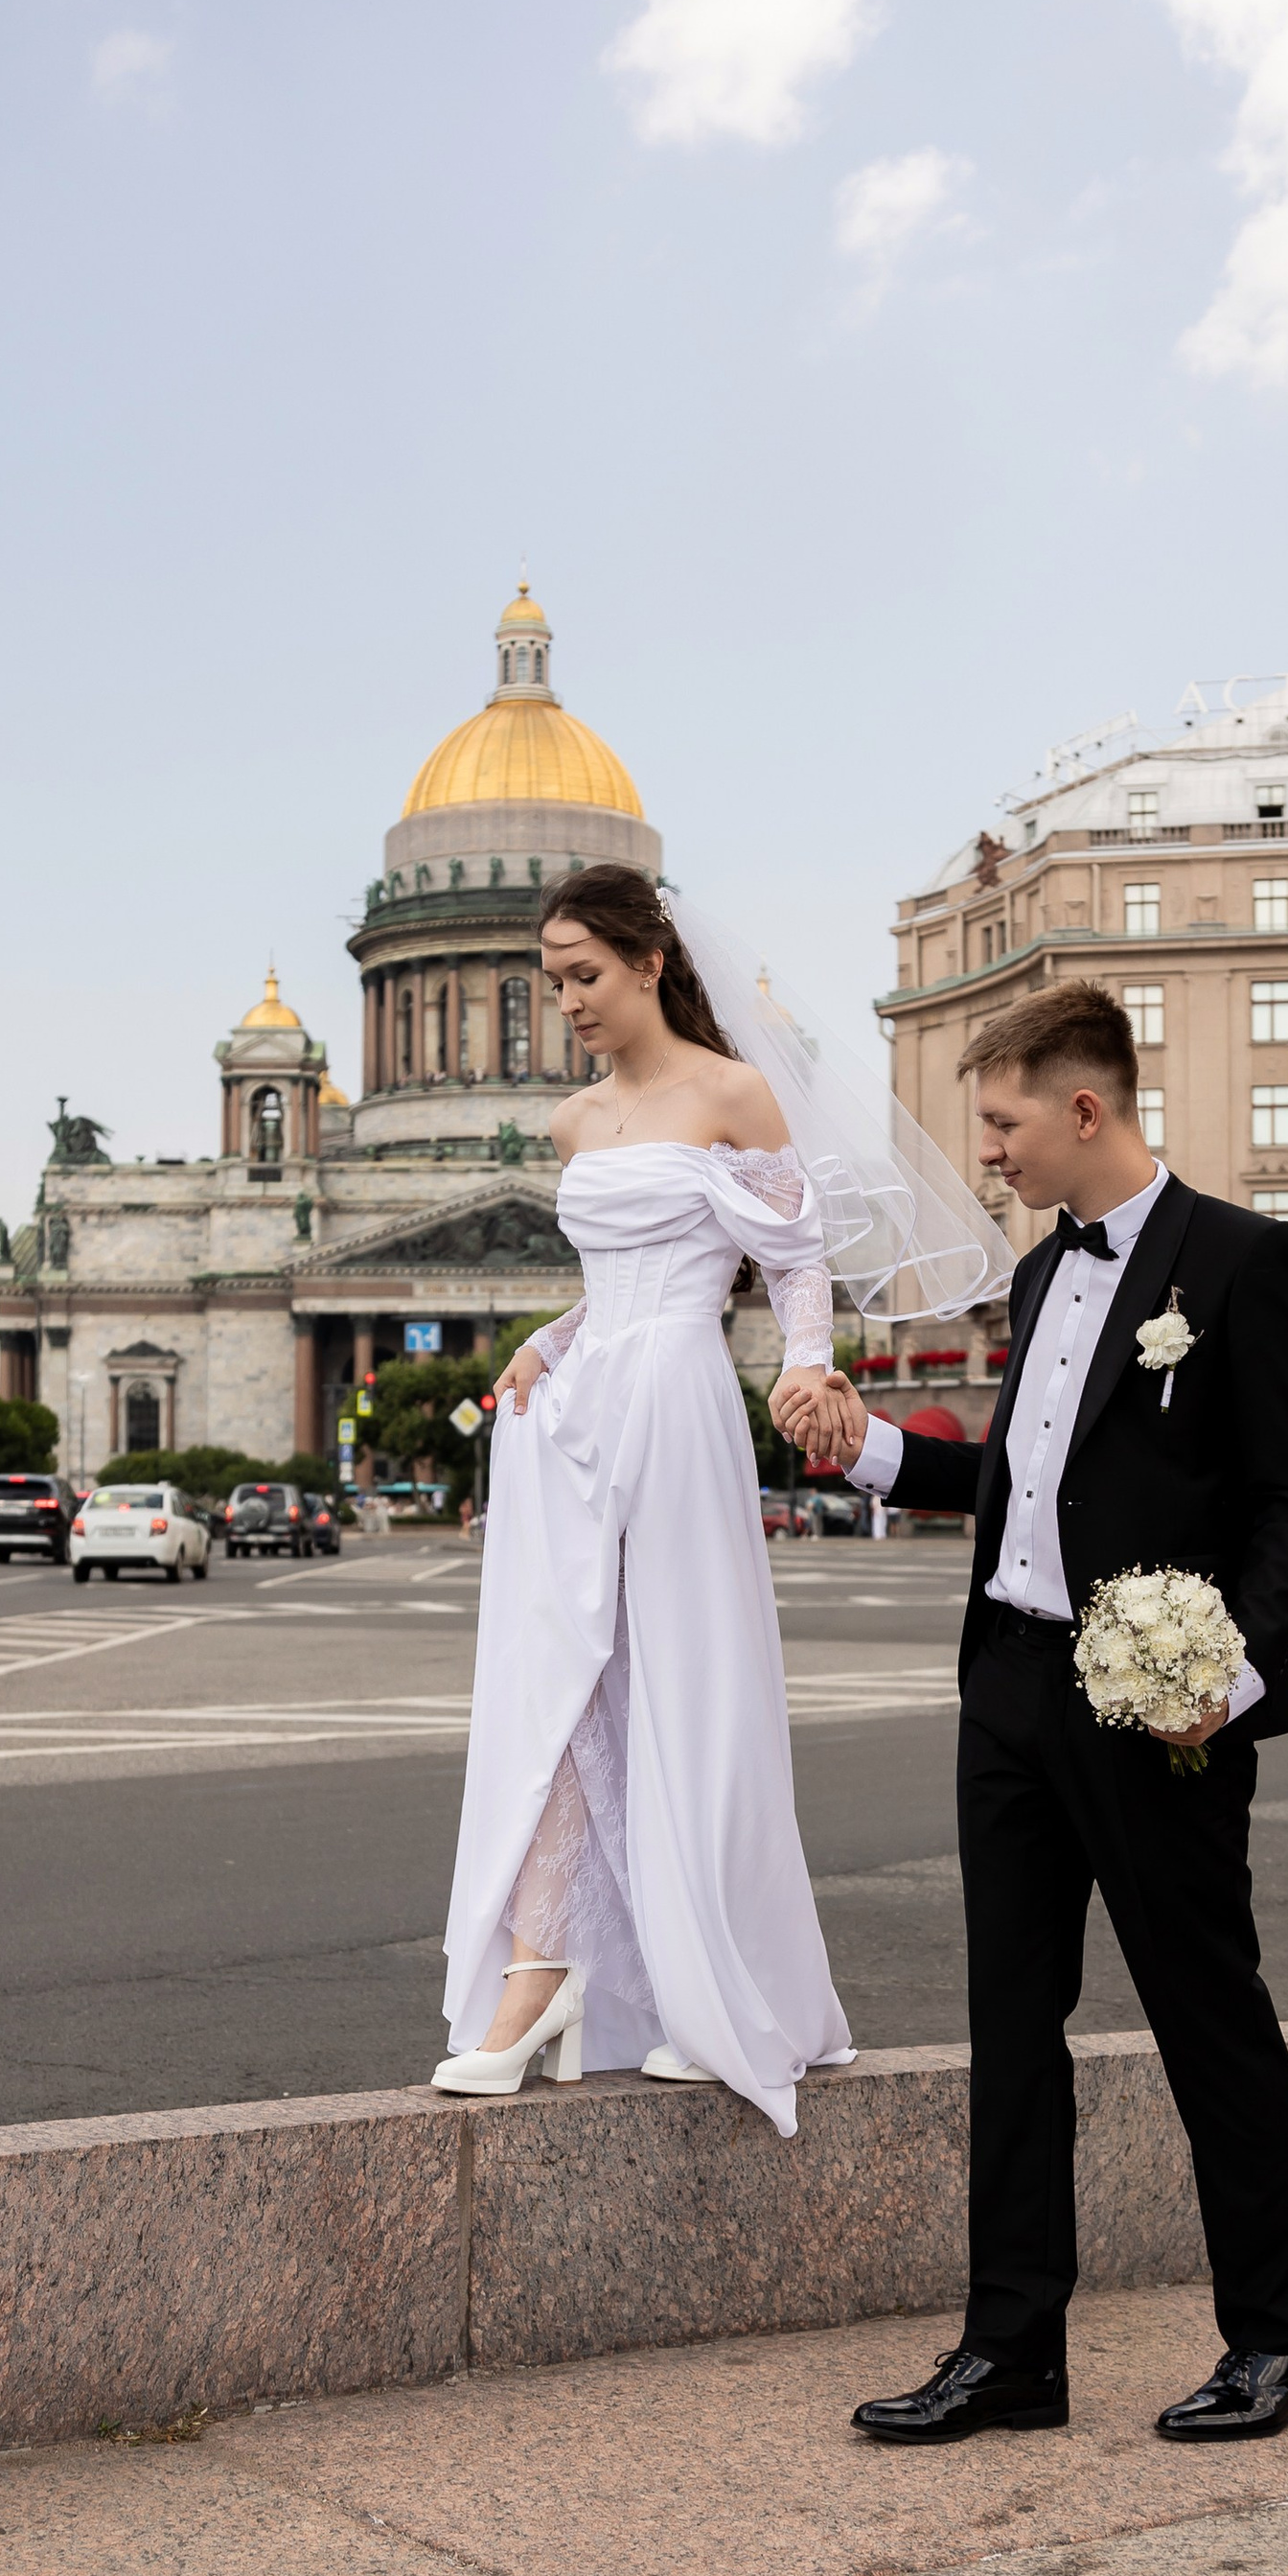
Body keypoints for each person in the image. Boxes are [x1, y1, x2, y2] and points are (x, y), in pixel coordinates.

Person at [818, 978, 1288, 2446]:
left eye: (1002, 1121)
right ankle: (1013, 2350)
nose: (988, 1150)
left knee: (1205, 2016)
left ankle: (1284, 2347)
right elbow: (1017, 1488)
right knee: (1009, 2023)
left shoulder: (1246, 1261)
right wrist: (868, 1451)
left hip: (1157, 1708)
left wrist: (1222, 1683)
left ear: (1084, 1107)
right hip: (1010, 1690)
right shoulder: (1043, 1276)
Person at [427, 868, 998, 2130]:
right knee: (561, 1684)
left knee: (691, 1687)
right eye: (552, 977)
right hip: (575, 1421)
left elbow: (792, 1262)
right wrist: (549, 1338)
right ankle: (540, 1973)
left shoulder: (733, 1092)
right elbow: (613, 1280)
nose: (565, 998)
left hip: (684, 1409)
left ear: (646, 961)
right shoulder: (573, 1123)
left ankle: (712, 1991)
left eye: (583, 972)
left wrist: (806, 1366)